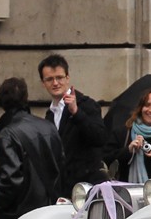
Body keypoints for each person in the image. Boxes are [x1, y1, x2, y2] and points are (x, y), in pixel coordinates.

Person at [0, 77, 65, 219]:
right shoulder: (47, 126)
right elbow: (61, 164)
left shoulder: (8, 133)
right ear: (25, 98)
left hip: (20, 210)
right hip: (48, 206)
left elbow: (10, 178)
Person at [37, 53, 113, 195]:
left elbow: (100, 138)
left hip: (86, 189)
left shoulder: (86, 104)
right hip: (62, 190)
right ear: (43, 83)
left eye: (59, 78)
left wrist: (76, 112)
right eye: (49, 79)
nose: (55, 83)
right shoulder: (50, 114)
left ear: (67, 78)